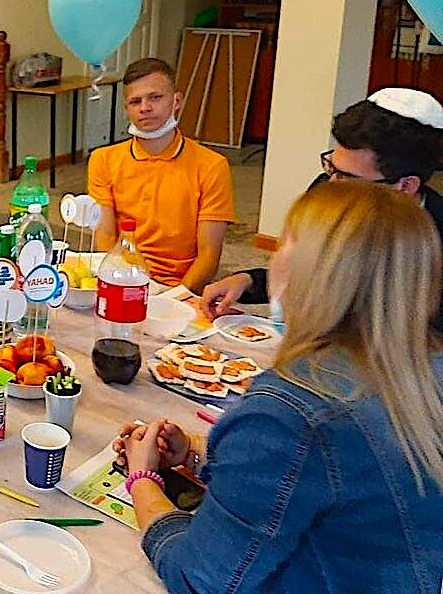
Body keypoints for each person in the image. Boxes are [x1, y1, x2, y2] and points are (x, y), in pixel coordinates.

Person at [115, 181, 442, 594]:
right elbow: (320, 478)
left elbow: (199, 579)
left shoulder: (289, 409)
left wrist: (142, 478)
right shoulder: (424, 368)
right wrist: (200, 452)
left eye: (284, 242)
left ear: (311, 271)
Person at [203, 87, 442, 327]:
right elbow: (310, 272)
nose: (332, 184)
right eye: (331, 166)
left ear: (406, 185)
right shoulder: (325, 190)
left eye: (348, 178)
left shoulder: (435, 236)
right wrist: (249, 281)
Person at [87, 57, 235, 292]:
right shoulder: (103, 160)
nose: (145, 108)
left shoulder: (212, 166)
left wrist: (173, 299)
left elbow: (209, 254)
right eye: (135, 101)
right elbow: (104, 235)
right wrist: (121, 282)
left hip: (180, 288)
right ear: (126, 108)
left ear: (176, 100)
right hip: (123, 277)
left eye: (155, 97)